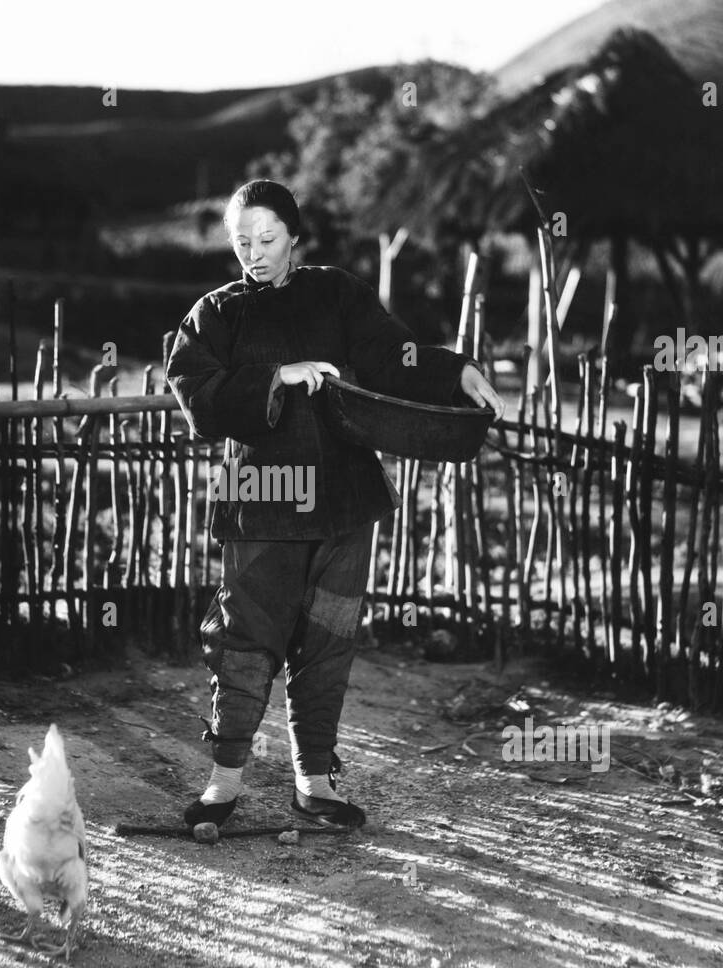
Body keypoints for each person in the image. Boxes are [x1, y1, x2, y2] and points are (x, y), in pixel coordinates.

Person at [165, 179, 506, 829]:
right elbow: (195, 390)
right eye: (243, 242)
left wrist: (452, 369)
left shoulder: (336, 293)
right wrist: (276, 377)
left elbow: (390, 357)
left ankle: (315, 784)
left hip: (342, 496)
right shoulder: (216, 313)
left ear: (295, 236)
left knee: (328, 641)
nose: (256, 254)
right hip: (260, 496)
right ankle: (222, 783)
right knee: (245, 637)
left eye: (268, 239)